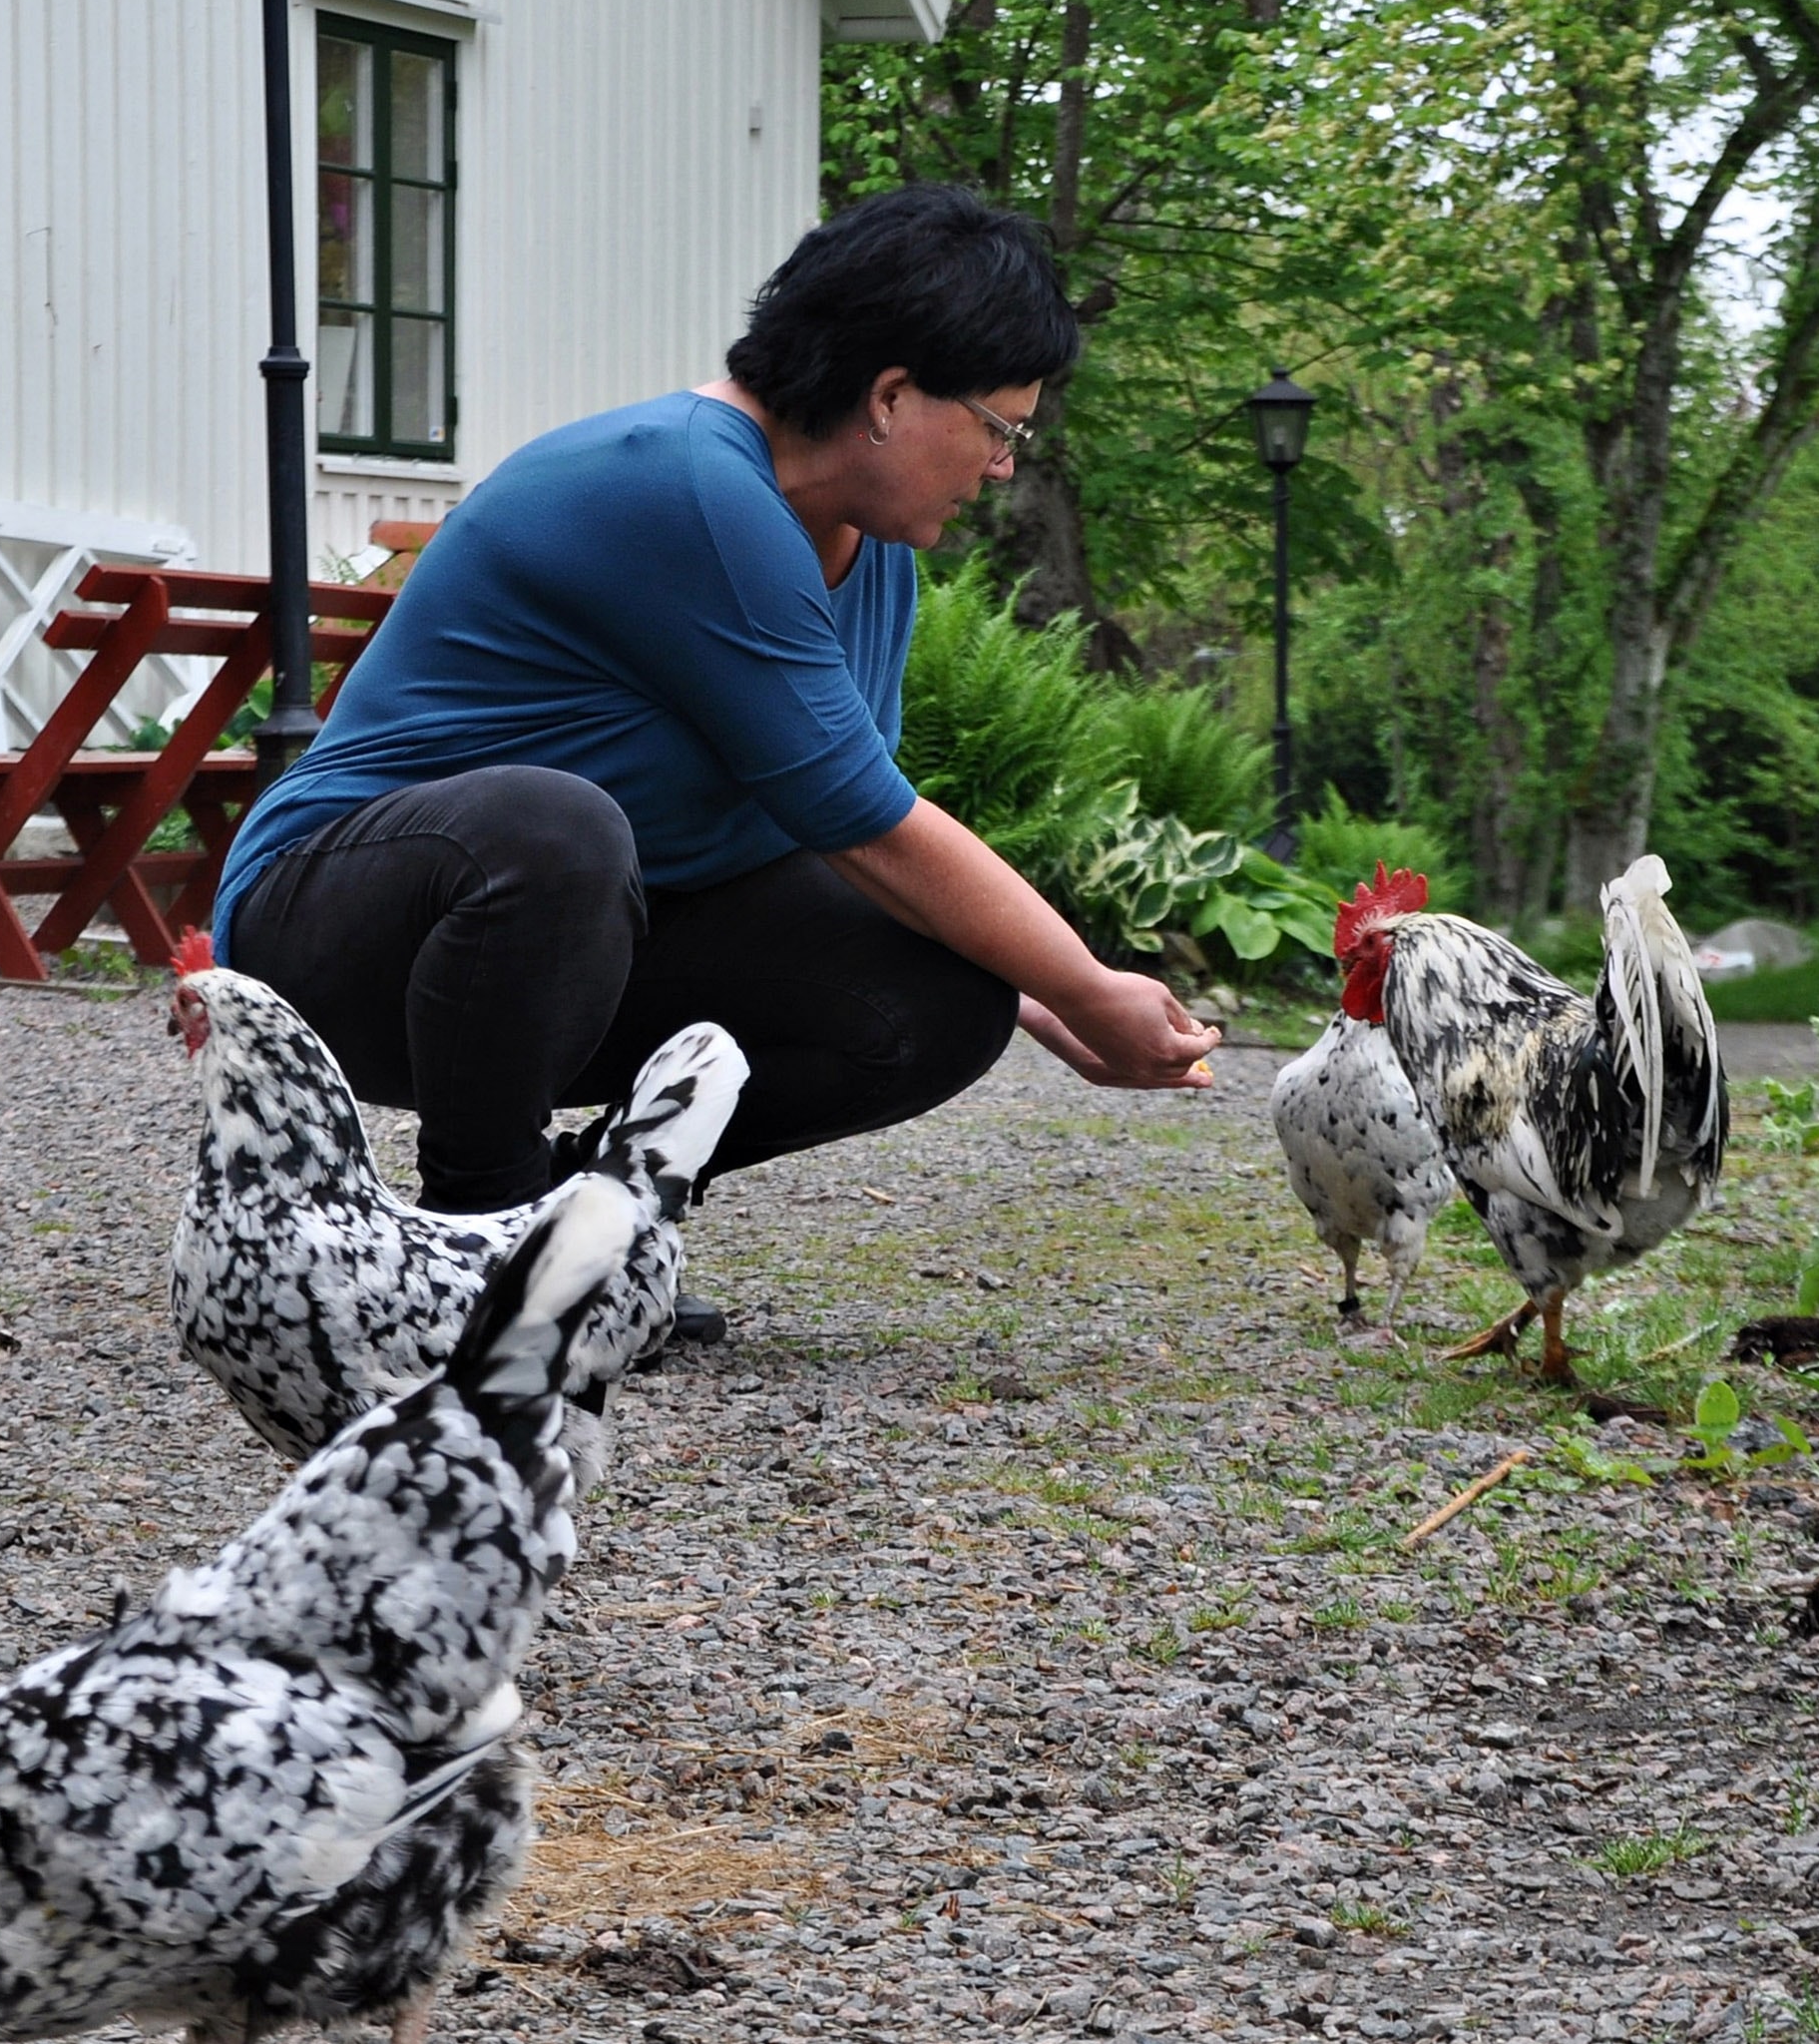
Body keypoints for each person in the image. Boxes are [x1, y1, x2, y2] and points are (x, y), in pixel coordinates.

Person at [213, 184, 1219, 1304]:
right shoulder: (683, 482)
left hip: (574, 942)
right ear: (889, 396)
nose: (1001, 469)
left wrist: (1031, 993)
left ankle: (587, 1211)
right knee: (555, 829)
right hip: (337, 931)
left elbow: (849, 817)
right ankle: (479, 1246)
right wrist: (1084, 983)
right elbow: (860, 821)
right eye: (998, 427)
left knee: (943, 999)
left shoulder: (865, 545)